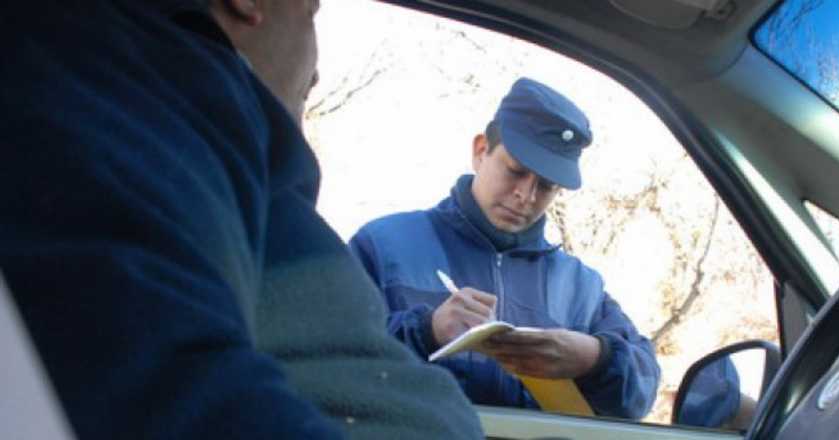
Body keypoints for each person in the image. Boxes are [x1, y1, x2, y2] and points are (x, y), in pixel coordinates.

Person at [0, 1, 482, 439]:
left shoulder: (175, 123)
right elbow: (145, 387)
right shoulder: (129, 82)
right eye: (311, 12)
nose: (312, 65)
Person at [350, 78, 661, 419]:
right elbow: (322, 357)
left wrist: (594, 358)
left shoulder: (580, 286)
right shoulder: (383, 246)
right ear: (480, 151)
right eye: (516, 171)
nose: (526, 196)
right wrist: (426, 331)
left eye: (546, 186)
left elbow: (643, 391)